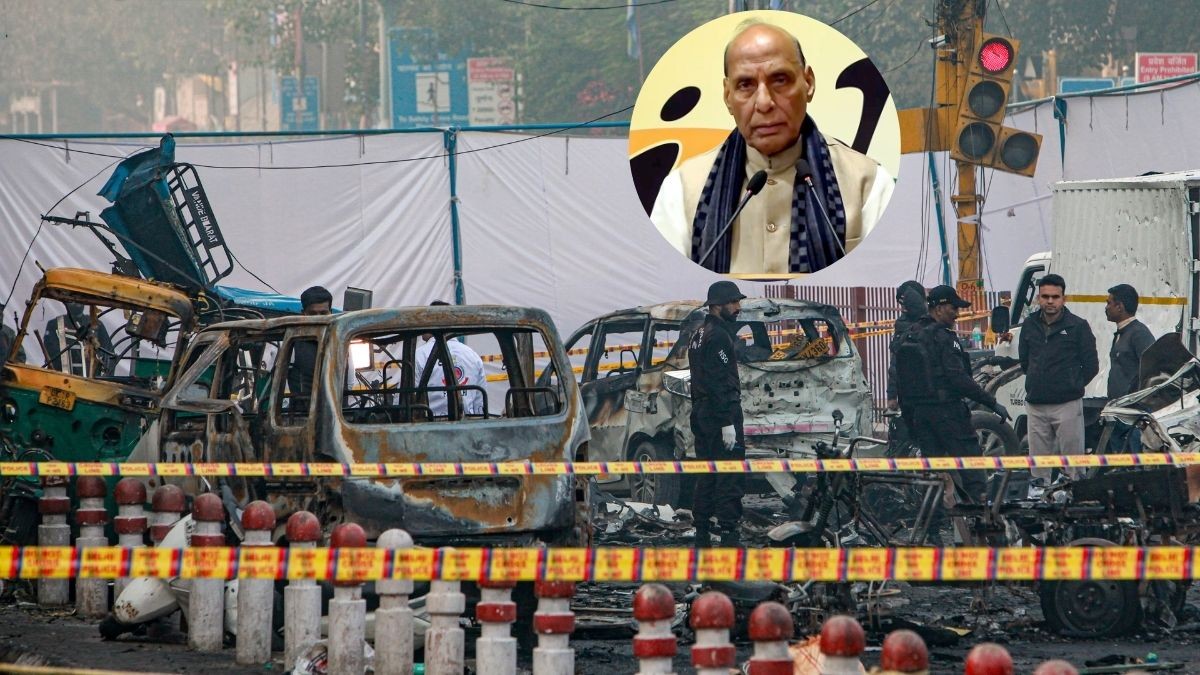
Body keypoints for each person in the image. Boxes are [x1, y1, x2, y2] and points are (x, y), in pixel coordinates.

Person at [650, 18, 894, 275]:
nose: (764, 102)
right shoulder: (683, 190)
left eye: (780, 80)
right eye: (745, 85)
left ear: (808, 83)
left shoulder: (867, 184)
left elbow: (885, 279)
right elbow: (666, 282)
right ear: (728, 96)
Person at [895, 285, 1009, 505]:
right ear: (938, 309)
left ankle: (935, 521)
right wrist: (992, 403)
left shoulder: (910, 335)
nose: (957, 314)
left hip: (921, 416)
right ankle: (981, 517)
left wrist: (911, 421)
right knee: (972, 468)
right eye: (953, 308)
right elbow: (959, 379)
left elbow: (902, 383)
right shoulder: (944, 338)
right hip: (948, 413)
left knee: (934, 476)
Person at [1018, 274, 1098, 492]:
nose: (1050, 301)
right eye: (1045, 296)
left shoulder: (1078, 326)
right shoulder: (1029, 324)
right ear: (1038, 298)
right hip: (1036, 405)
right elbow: (1025, 360)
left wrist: (1071, 385)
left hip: (1067, 405)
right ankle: (1038, 503)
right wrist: (1037, 380)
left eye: (1055, 297)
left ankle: (1074, 501)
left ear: (1064, 298)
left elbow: (1091, 365)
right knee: (1038, 469)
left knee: (1073, 467)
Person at [689, 280, 747, 547]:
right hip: (719, 413)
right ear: (716, 305)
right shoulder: (719, 336)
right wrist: (727, 421)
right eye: (733, 302)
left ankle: (702, 531)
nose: (737, 307)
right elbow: (718, 380)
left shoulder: (698, 334)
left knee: (707, 474)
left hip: (702, 412)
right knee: (729, 474)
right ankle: (728, 534)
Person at [1104, 283, 1155, 451]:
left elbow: (1151, 368)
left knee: (1134, 459)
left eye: (1109, 303)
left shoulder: (1139, 333)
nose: (1106, 307)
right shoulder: (1123, 333)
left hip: (1133, 415)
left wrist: (1136, 401)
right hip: (1120, 412)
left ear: (1120, 306)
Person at [414, 301, 486, 418]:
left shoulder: (419, 355)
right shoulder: (473, 356)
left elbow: (405, 403)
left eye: (425, 319)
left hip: (429, 425)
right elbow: (480, 406)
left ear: (432, 322)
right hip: (467, 424)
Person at [286, 285, 333, 399]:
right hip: (302, 409)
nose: (318, 318)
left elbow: (349, 382)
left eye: (323, 313)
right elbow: (278, 383)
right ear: (303, 314)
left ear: (330, 313)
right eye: (313, 314)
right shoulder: (290, 343)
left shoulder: (342, 341)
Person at [886, 280, 927, 410]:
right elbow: (895, 363)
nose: (903, 308)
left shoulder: (928, 322)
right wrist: (892, 394)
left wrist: (892, 395)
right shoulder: (904, 325)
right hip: (913, 392)